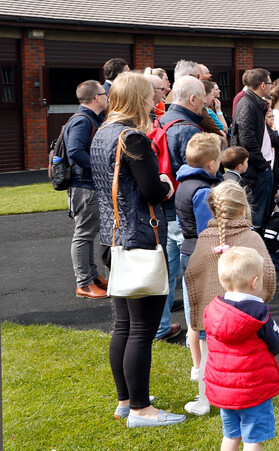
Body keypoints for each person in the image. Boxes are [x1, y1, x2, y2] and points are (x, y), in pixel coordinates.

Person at [90, 72, 184, 428]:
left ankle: (126, 401)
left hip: (113, 236)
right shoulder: (133, 138)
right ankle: (142, 409)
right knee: (141, 329)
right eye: (151, 95)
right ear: (139, 99)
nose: (155, 100)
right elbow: (151, 190)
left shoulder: (102, 133)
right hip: (140, 236)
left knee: (124, 325)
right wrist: (163, 183)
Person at [183, 181, 275, 416]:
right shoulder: (252, 238)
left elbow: (192, 274)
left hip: (211, 314)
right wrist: (261, 299)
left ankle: (204, 401)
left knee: (207, 357)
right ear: (243, 208)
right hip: (247, 315)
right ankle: (247, 396)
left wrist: (199, 307)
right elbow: (268, 275)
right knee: (247, 356)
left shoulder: (205, 238)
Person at [203, 246, 279, 451]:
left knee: (230, 434)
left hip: (224, 388)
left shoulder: (213, 311)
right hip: (252, 388)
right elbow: (277, 344)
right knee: (253, 439)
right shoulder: (260, 315)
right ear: (256, 282)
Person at [155, 75, 206, 343]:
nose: (206, 104)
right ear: (192, 98)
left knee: (167, 272)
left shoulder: (160, 120)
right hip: (184, 211)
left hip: (163, 208)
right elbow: (194, 170)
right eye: (203, 98)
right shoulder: (189, 129)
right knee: (192, 277)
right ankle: (194, 336)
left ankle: (161, 327)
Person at [175, 132, 223, 391]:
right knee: (205, 319)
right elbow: (209, 228)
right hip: (203, 253)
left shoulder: (183, 182)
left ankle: (197, 366)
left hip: (188, 249)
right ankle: (204, 368)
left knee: (194, 316)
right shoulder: (203, 191)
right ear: (211, 163)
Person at [67, 79, 109, 299]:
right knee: (83, 235)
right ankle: (83, 283)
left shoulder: (89, 119)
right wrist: (99, 168)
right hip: (84, 186)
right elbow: (75, 151)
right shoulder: (83, 121)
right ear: (96, 98)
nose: (107, 96)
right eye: (104, 93)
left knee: (88, 232)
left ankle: (92, 277)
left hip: (87, 186)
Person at [231, 68, 279, 229]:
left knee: (263, 213)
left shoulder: (255, 104)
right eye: (269, 83)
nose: (270, 87)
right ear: (262, 85)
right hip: (256, 169)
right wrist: (263, 166)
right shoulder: (248, 105)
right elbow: (247, 141)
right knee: (256, 216)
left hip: (261, 166)